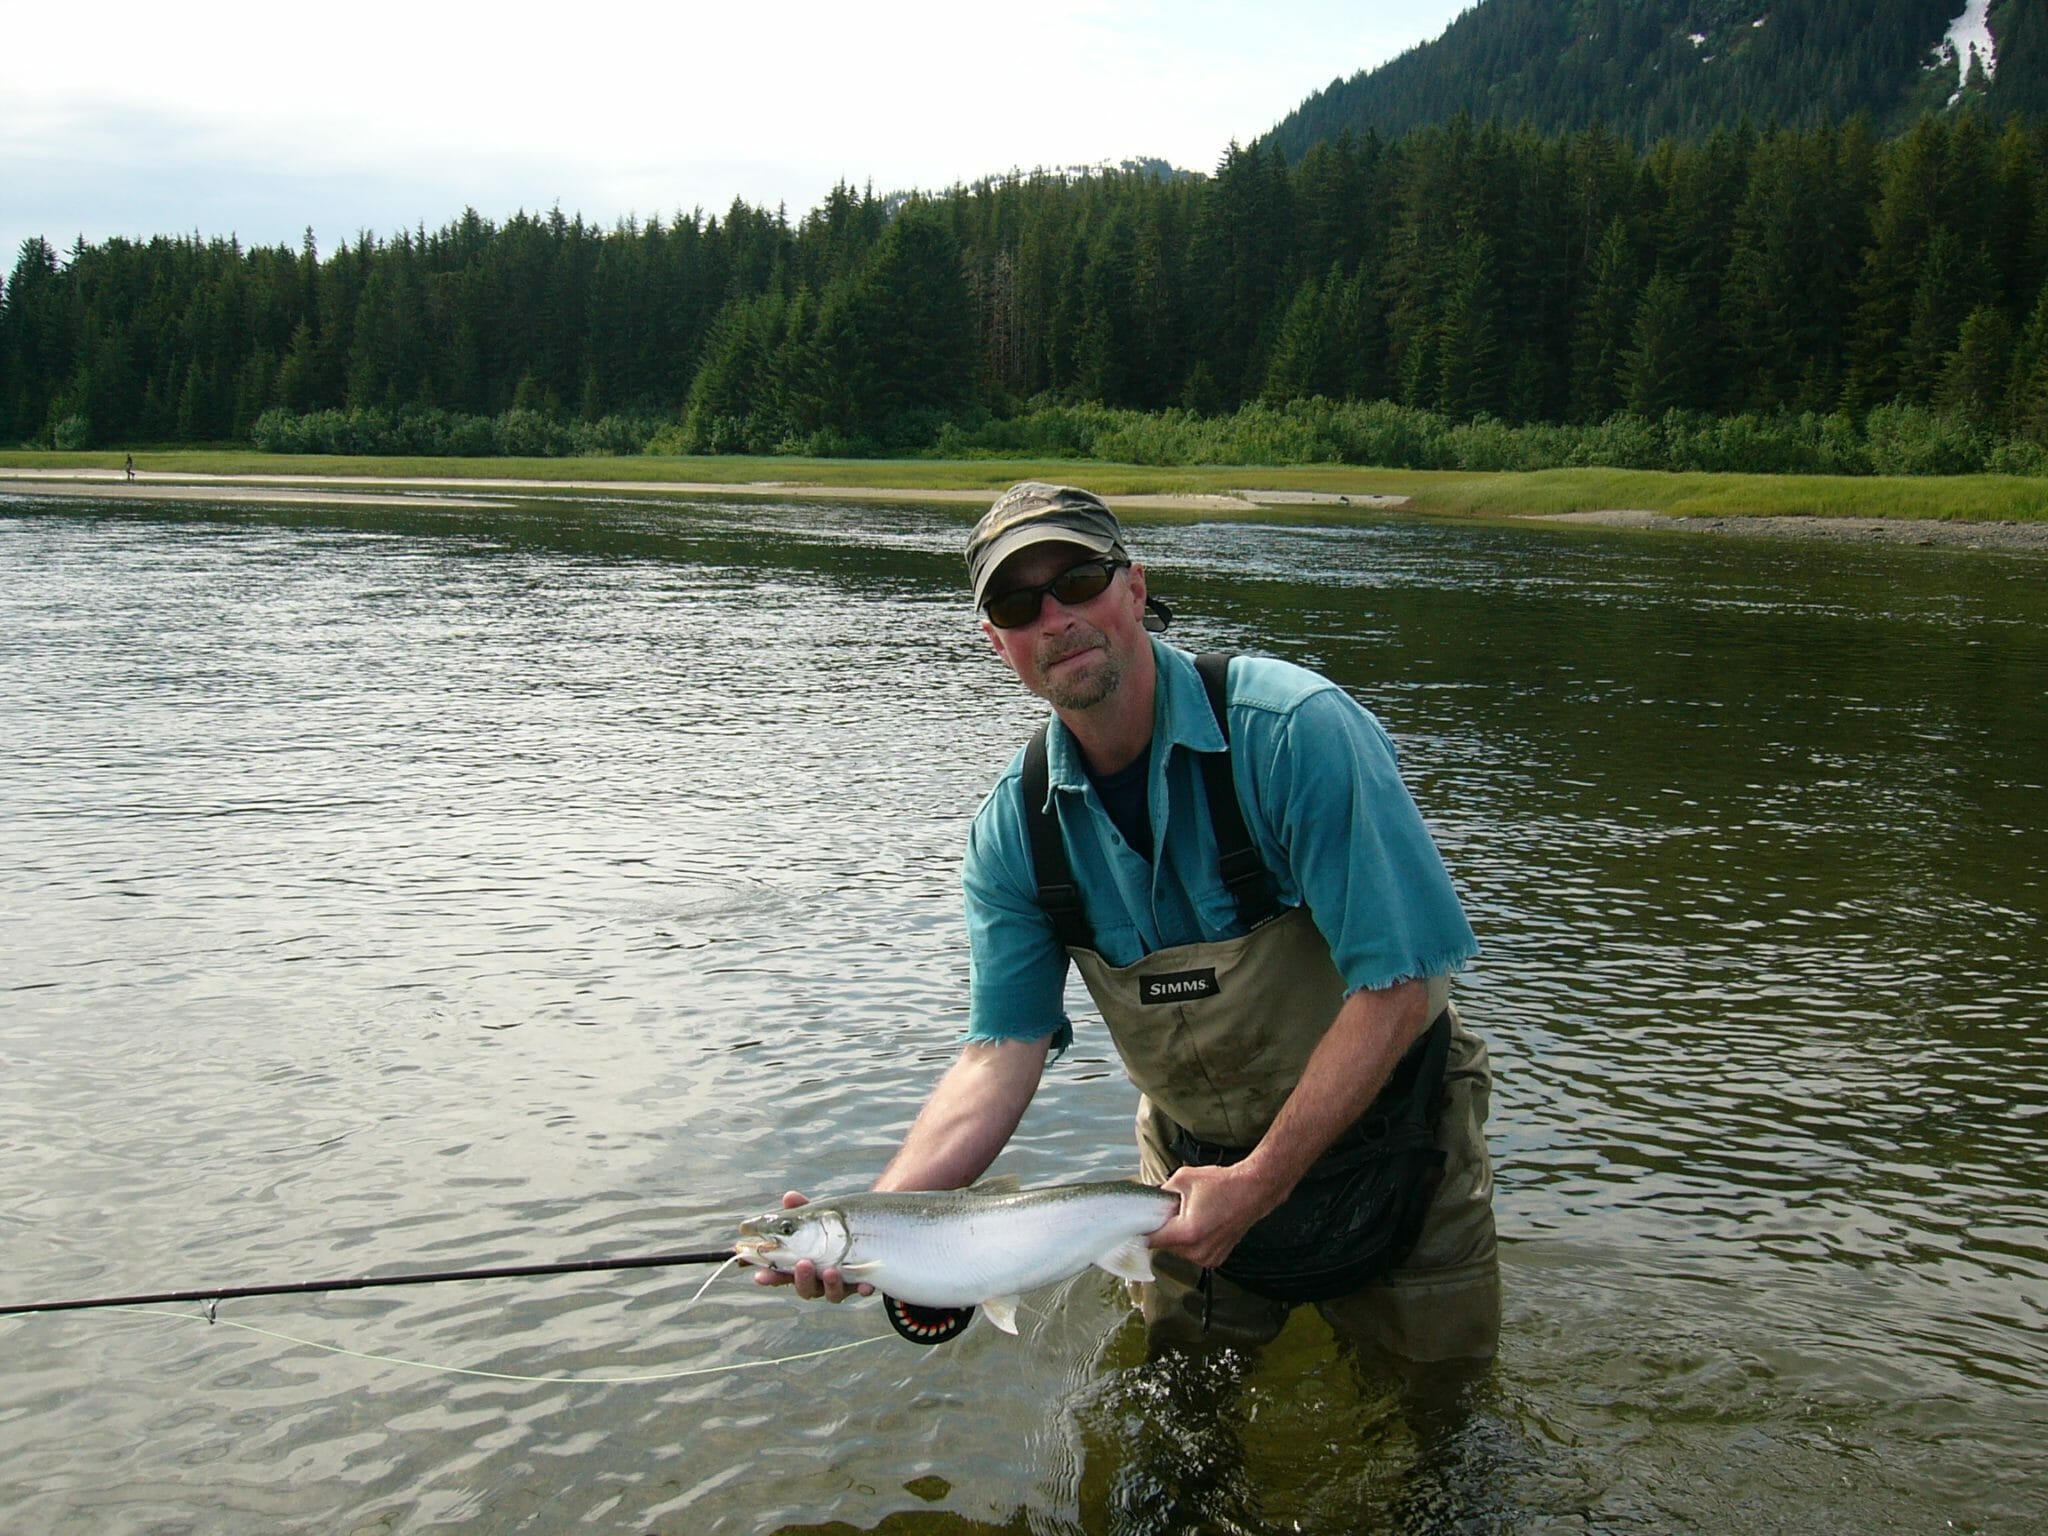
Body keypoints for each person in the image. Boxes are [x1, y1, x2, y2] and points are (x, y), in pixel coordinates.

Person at [762, 482, 1499, 1362]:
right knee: (1178, 1410)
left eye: (1078, 582)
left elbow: (1398, 987)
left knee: (1438, 1409)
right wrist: (870, 1226)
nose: (1055, 618)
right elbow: (1000, 1054)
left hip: (1398, 1133)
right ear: (997, 641)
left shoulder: (1295, 732)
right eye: (1017, 605)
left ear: (1136, 588)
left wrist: (1261, 1182)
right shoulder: (1014, 832)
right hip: (1189, 1171)